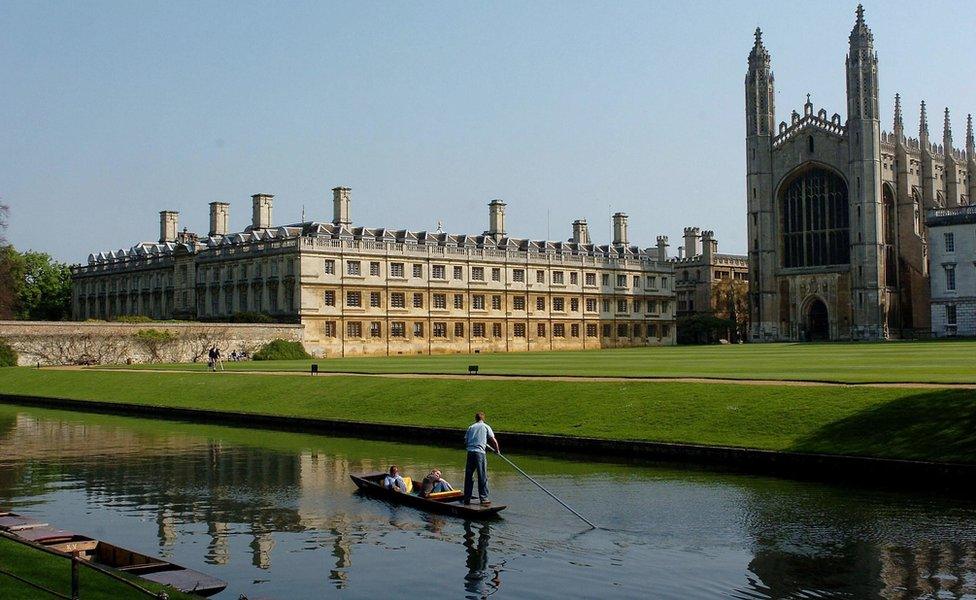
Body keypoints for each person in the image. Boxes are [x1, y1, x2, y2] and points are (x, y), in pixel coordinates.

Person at [462, 412, 499, 506]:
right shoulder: (486, 427)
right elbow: (493, 440)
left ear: (475, 418)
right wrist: (496, 450)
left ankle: (467, 498)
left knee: (469, 476)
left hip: (470, 452)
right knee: (482, 475)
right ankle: (484, 498)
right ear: (483, 418)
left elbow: (466, 441)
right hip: (480, 453)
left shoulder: (471, 427)